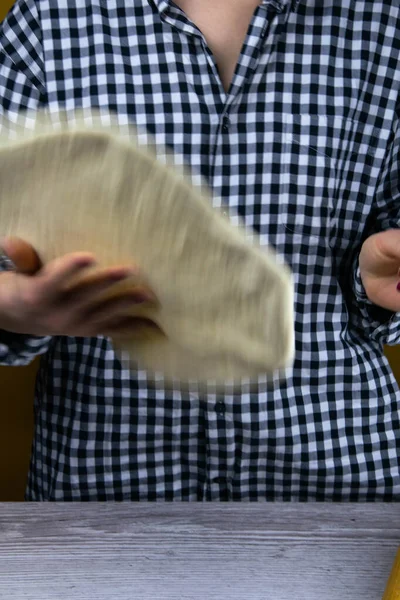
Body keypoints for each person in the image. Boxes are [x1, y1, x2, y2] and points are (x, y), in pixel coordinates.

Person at [0, 0, 399, 501]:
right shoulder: (48, 23)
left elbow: (388, 278)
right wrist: (15, 305)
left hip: (339, 488)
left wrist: (371, 281)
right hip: (106, 494)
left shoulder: (385, 24)